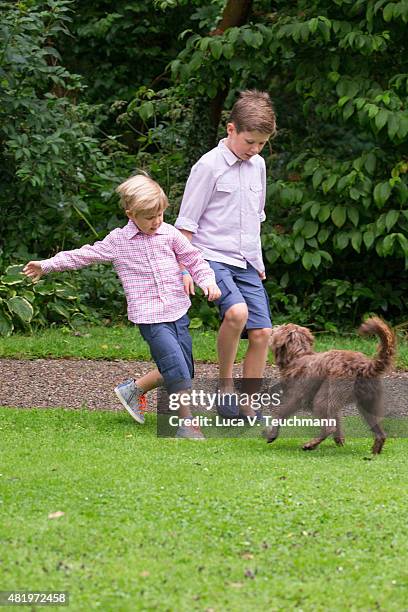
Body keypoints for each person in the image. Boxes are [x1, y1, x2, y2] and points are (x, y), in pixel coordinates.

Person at [23, 174, 221, 439]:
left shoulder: (169, 233)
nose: (157, 221)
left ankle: (133, 390)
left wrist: (207, 281)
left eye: (160, 214)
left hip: (178, 311)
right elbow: (83, 255)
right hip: (151, 318)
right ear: (131, 214)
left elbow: (194, 259)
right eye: (150, 217)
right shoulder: (118, 242)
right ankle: (186, 424)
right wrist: (46, 265)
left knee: (185, 367)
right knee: (175, 366)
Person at [175, 90, 276, 419]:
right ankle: (225, 388)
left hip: (246, 260)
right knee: (236, 314)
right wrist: (185, 269)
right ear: (231, 129)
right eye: (250, 141)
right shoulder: (208, 166)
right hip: (210, 256)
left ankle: (249, 402)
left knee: (262, 333)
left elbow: (255, 218)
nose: (255, 149)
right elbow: (186, 224)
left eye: (261, 144)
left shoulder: (258, 165)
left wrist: (257, 262)